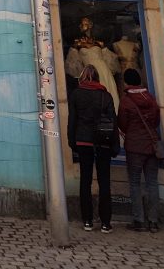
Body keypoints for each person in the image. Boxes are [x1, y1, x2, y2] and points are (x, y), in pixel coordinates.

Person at [67, 63, 118, 233]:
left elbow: (72, 120)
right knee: (104, 182)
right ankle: (105, 222)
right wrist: (115, 144)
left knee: (85, 180)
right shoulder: (105, 95)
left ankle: (87, 220)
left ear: (82, 77)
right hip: (103, 141)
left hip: (83, 141)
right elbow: (113, 121)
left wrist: (72, 140)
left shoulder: (76, 94)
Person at [118, 68, 161, 233]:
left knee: (135, 183)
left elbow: (122, 123)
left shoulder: (126, 101)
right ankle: (154, 221)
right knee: (152, 183)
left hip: (135, 146)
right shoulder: (150, 97)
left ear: (126, 82)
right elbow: (156, 120)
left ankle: (139, 220)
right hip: (152, 145)